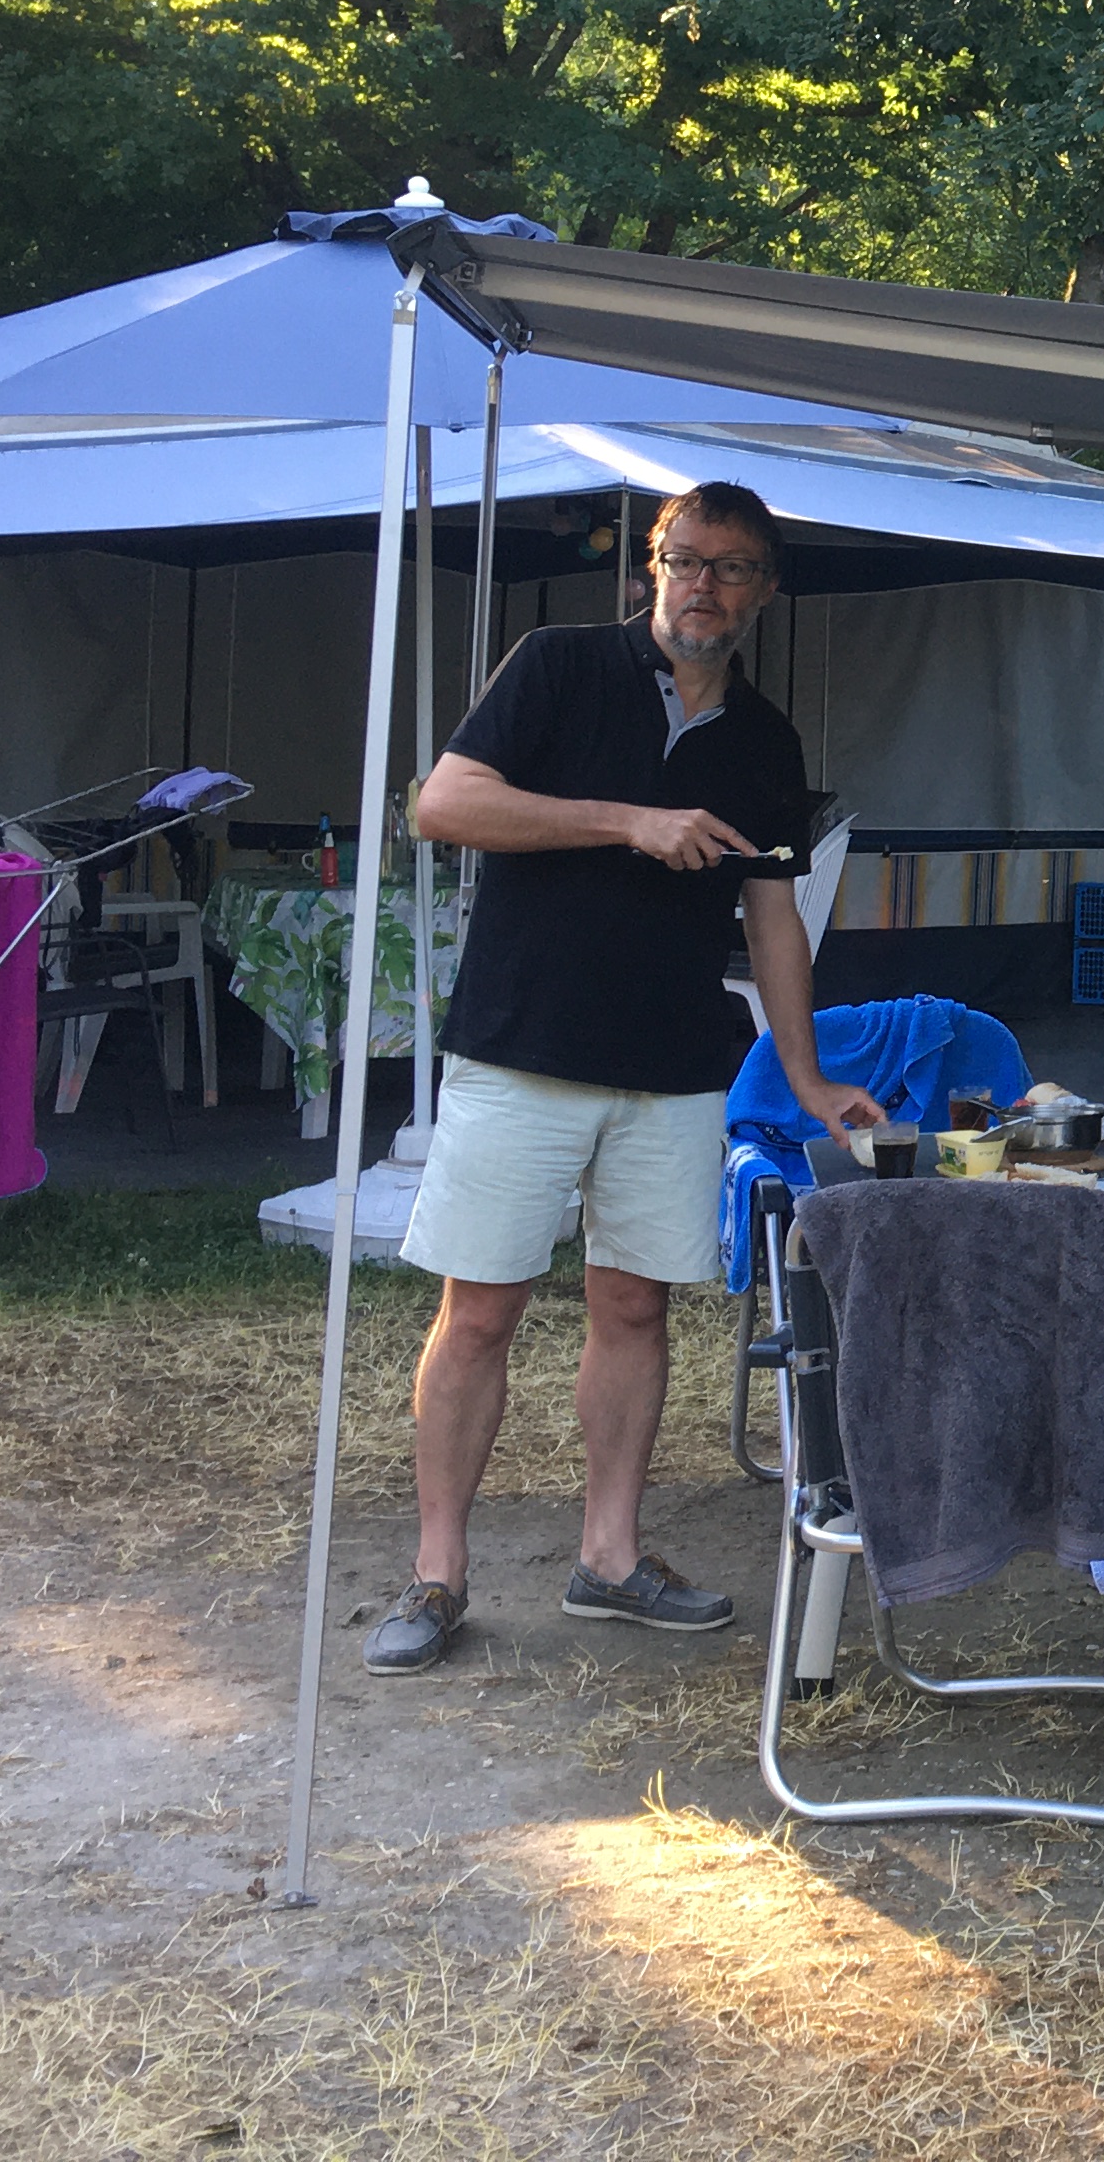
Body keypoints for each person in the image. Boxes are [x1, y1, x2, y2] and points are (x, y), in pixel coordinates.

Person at [362, 482, 889, 1675]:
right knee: (480, 1311)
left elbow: (773, 919)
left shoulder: (765, 742)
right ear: (654, 564)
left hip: (671, 1067)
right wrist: (628, 820)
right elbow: (443, 804)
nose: (704, 585)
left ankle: (609, 1558)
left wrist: (806, 1078)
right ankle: (438, 1574)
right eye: (686, 559)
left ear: (764, 591)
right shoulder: (558, 666)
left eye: (733, 568)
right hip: (523, 1047)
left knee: (635, 1308)